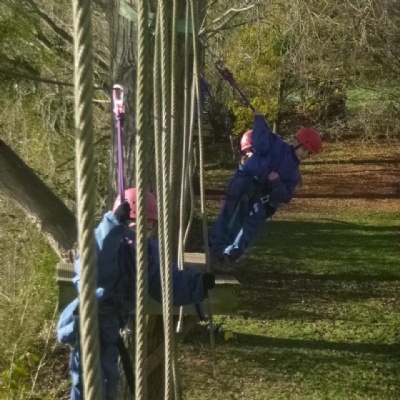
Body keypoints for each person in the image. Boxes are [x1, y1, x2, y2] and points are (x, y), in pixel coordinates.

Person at [57, 188, 215, 400]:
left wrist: (197, 285)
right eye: (135, 227)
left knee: (108, 381)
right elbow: (95, 262)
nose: (141, 234)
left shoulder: (147, 253)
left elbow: (165, 281)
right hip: (88, 322)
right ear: (123, 224)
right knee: (88, 383)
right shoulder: (105, 244)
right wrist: (112, 225)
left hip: (111, 325)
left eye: (148, 227)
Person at [209, 111, 322, 273]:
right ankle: (216, 253)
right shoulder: (276, 144)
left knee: (249, 228)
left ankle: (229, 256)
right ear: (296, 143)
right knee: (230, 218)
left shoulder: (294, 174)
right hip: (245, 183)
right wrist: (260, 121)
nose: (305, 155)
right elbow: (260, 141)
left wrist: (276, 183)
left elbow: (285, 196)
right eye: (304, 149)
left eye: (308, 153)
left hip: (262, 198)